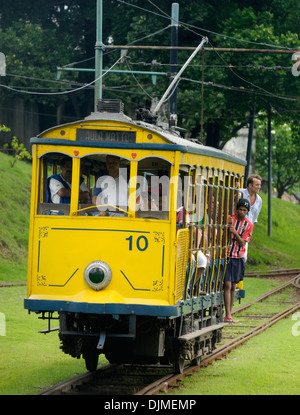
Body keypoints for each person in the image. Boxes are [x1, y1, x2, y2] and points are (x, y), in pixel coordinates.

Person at [224, 198, 253, 323]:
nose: (241, 212)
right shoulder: (230, 218)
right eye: (240, 209)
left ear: (247, 211)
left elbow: (242, 243)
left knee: (234, 285)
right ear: (237, 209)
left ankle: (229, 313)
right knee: (227, 284)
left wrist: (235, 233)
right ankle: (228, 314)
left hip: (238, 257)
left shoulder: (249, 225)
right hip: (227, 255)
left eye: (244, 210)